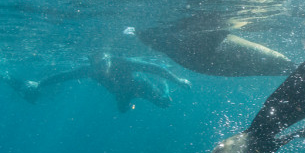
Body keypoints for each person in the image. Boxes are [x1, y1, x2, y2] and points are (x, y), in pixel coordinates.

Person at [29, 52, 192, 112]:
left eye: (104, 63)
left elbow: (154, 68)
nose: (101, 68)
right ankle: (132, 102)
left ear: (109, 58)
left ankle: (164, 86)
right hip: (121, 93)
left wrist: (178, 80)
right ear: (91, 63)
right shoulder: (89, 70)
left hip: (141, 86)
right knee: (122, 111)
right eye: (97, 65)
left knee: (165, 103)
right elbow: (64, 76)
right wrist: (39, 83)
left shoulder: (123, 62)